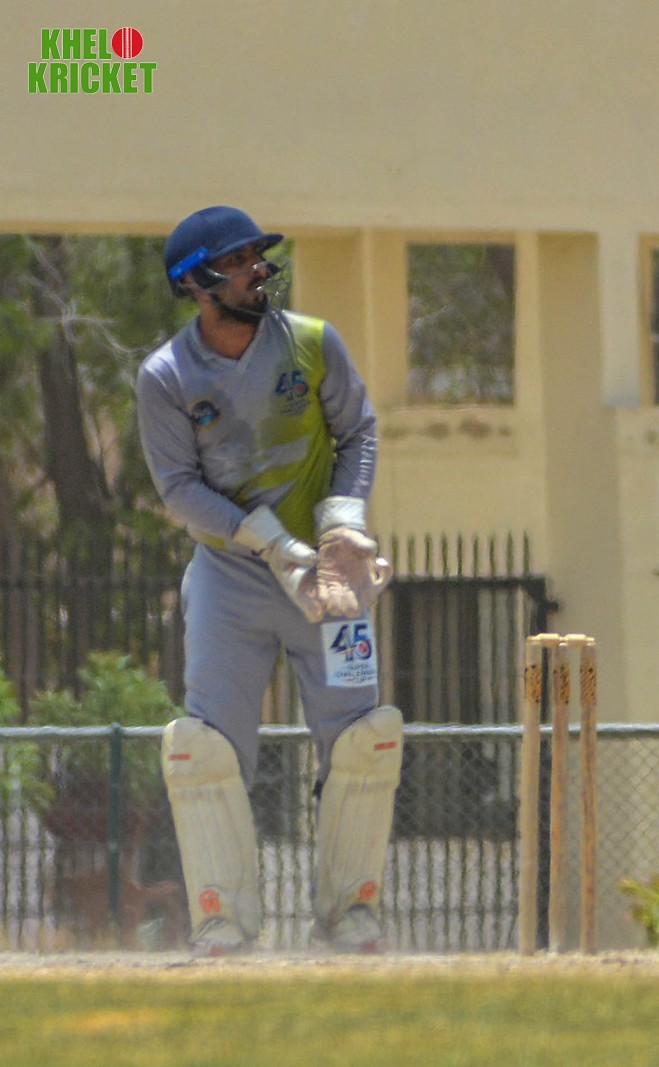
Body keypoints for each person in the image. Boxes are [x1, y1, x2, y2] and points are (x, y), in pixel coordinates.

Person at [136, 205, 403, 956]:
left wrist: (341, 524)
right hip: (232, 581)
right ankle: (222, 919)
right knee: (205, 748)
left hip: (331, 583)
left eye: (256, 255)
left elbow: (358, 430)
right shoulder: (166, 376)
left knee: (364, 740)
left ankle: (350, 914)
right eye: (237, 259)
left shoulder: (312, 343)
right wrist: (272, 545)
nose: (256, 269)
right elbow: (179, 488)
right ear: (195, 282)